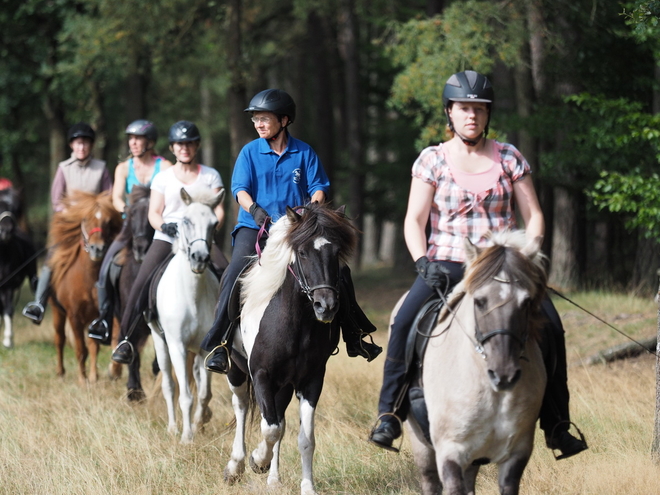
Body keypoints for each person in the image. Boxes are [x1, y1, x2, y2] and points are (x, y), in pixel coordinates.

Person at [367, 70, 588, 460]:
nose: (472, 115)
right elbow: (414, 220)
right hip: (449, 264)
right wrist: (422, 262)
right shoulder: (432, 160)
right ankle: (390, 413)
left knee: (552, 326)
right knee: (403, 322)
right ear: (449, 112)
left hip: (503, 266)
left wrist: (528, 255)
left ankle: (557, 424)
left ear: (488, 114)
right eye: (464, 108)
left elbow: (534, 215)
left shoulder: (509, 157)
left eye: (479, 109)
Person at [201, 88, 381, 375]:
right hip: (254, 226)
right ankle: (220, 341)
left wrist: (309, 211)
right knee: (234, 272)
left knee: (339, 271)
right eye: (255, 119)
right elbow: (239, 190)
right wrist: (256, 210)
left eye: (264, 119)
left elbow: (319, 187)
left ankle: (354, 334)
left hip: (296, 228)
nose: (258, 124)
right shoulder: (249, 152)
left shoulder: (304, 152)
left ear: (284, 120)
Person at [111, 120, 226, 364]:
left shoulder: (210, 175)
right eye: (179, 144)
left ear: (197, 146)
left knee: (227, 274)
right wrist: (163, 225)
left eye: (189, 144)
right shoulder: (163, 178)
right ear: (172, 148)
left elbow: (220, 212)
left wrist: (208, 229)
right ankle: (125, 340)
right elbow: (154, 212)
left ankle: (228, 341)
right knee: (140, 282)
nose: (184, 148)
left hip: (199, 238)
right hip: (167, 237)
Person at [87, 119, 173, 344]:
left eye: (138, 139)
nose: (133, 143)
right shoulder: (123, 168)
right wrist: (125, 208)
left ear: (150, 142)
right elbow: (116, 196)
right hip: (130, 226)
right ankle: (104, 319)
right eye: (131, 139)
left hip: (157, 226)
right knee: (106, 267)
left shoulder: (164, 166)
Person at [22, 122, 112, 324]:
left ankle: (113, 308)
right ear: (72, 145)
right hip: (71, 226)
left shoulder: (101, 168)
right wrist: (73, 215)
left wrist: (96, 215)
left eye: (86, 143)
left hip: (95, 226)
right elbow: (56, 201)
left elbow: (108, 197)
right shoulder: (64, 168)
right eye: (78, 143)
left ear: (91, 146)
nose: (82, 147)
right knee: (51, 259)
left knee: (115, 258)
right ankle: (39, 303)